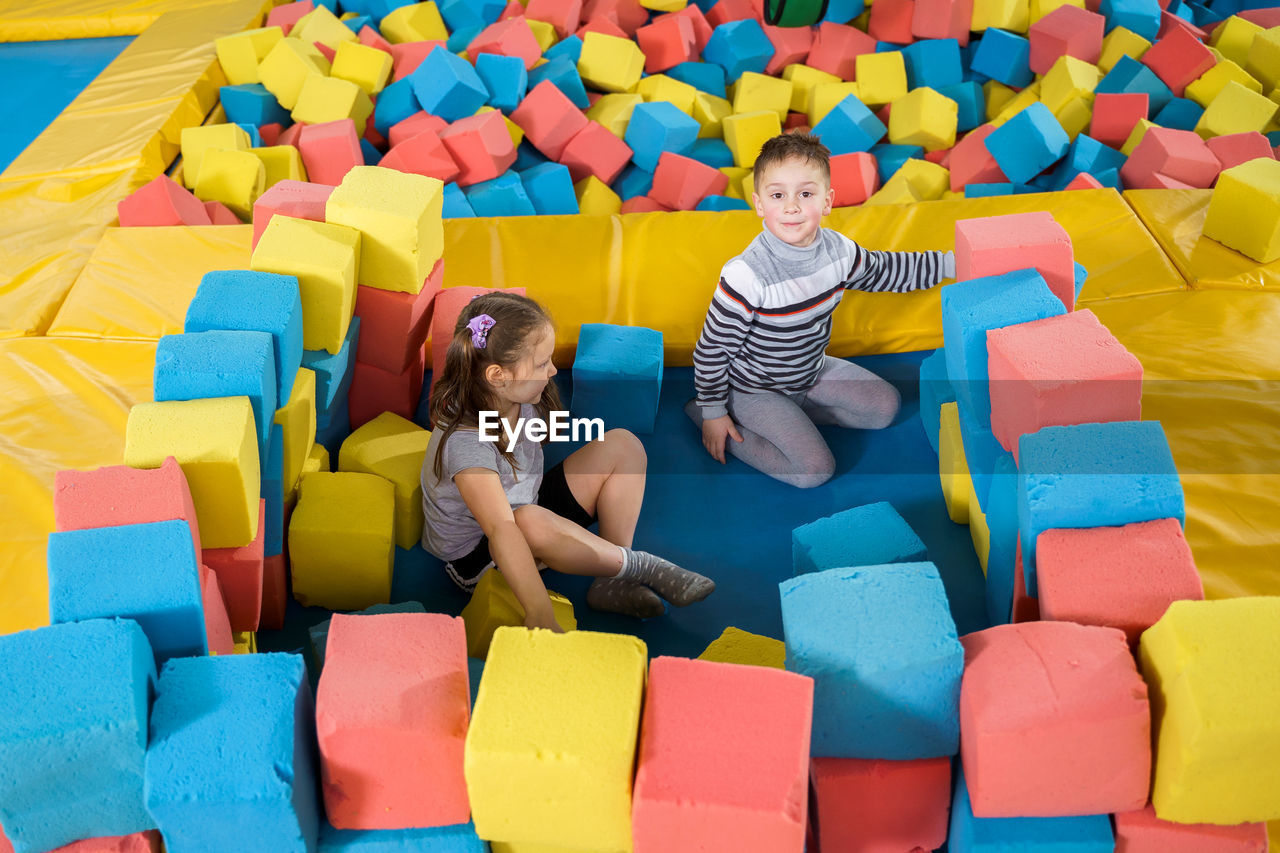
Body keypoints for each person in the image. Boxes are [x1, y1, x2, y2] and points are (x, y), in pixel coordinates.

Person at [421, 291, 715, 630]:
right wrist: (539, 608)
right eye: (542, 363)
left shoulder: (516, 395)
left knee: (623, 445)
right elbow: (502, 529)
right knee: (526, 520)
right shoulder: (467, 444)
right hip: (479, 554)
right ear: (498, 376)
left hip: (524, 503)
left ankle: (612, 578)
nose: (554, 370)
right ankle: (637, 566)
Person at [687, 132, 956, 488]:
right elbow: (712, 350)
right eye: (778, 195)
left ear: (827, 201)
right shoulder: (746, 274)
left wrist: (951, 263)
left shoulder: (839, 250)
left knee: (884, 408)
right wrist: (713, 412)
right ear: (758, 204)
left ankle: (794, 415)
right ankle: (719, 419)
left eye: (806, 194)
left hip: (810, 373)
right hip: (755, 388)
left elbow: (887, 271)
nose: (791, 206)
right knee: (814, 470)